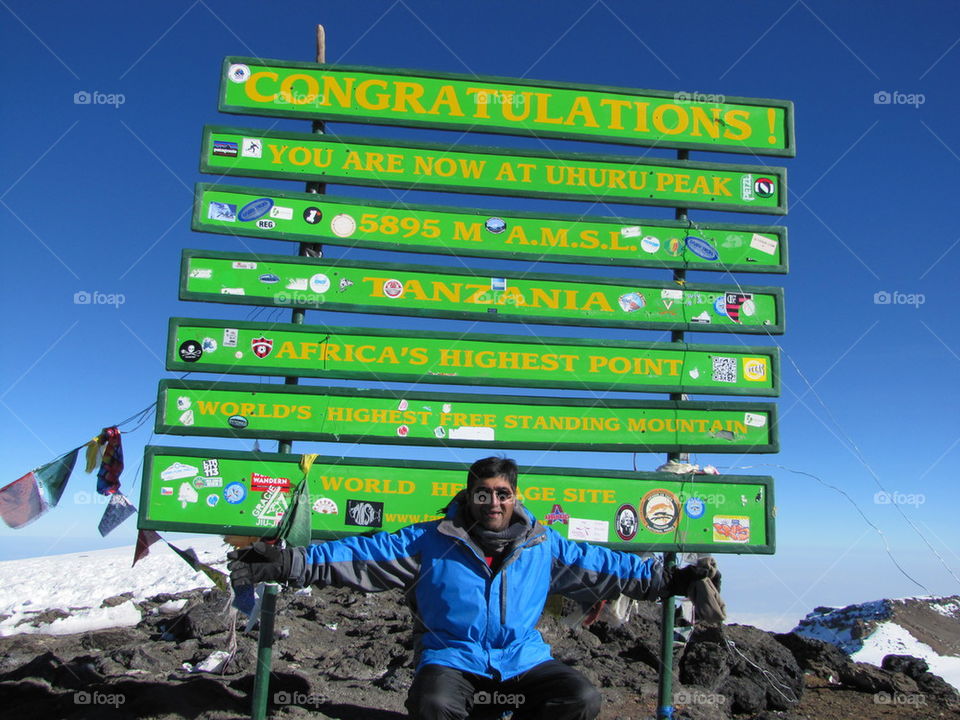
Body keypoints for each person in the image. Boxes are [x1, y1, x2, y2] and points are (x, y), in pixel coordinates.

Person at [228, 456, 711, 719]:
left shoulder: (544, 545)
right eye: (484, 493)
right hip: (452, 658)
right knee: (433, 705)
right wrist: (287, 562)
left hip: (523, 659)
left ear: (515, 496)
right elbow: (360, 557)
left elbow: (609, 569)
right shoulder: (428, 540)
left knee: (582, 698)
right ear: (469, 495)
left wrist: (674, 580)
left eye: (503, 493)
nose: (493, 502)